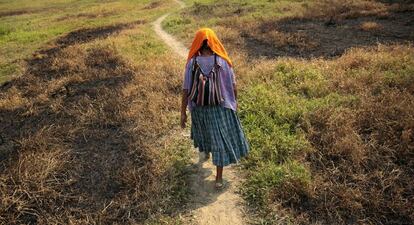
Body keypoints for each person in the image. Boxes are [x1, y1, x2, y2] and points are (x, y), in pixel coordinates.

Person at [180, 28, 249, 190]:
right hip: (221, 108)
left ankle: (206, 153)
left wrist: (183, 112)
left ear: (197, 43)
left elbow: (186, 89)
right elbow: (233, 86)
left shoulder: (192, 63)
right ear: (214, 42)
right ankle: (218, 178)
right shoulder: (223, 61)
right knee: (221, 142)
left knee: (205, 134)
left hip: (200, 109)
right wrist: (234, 103)